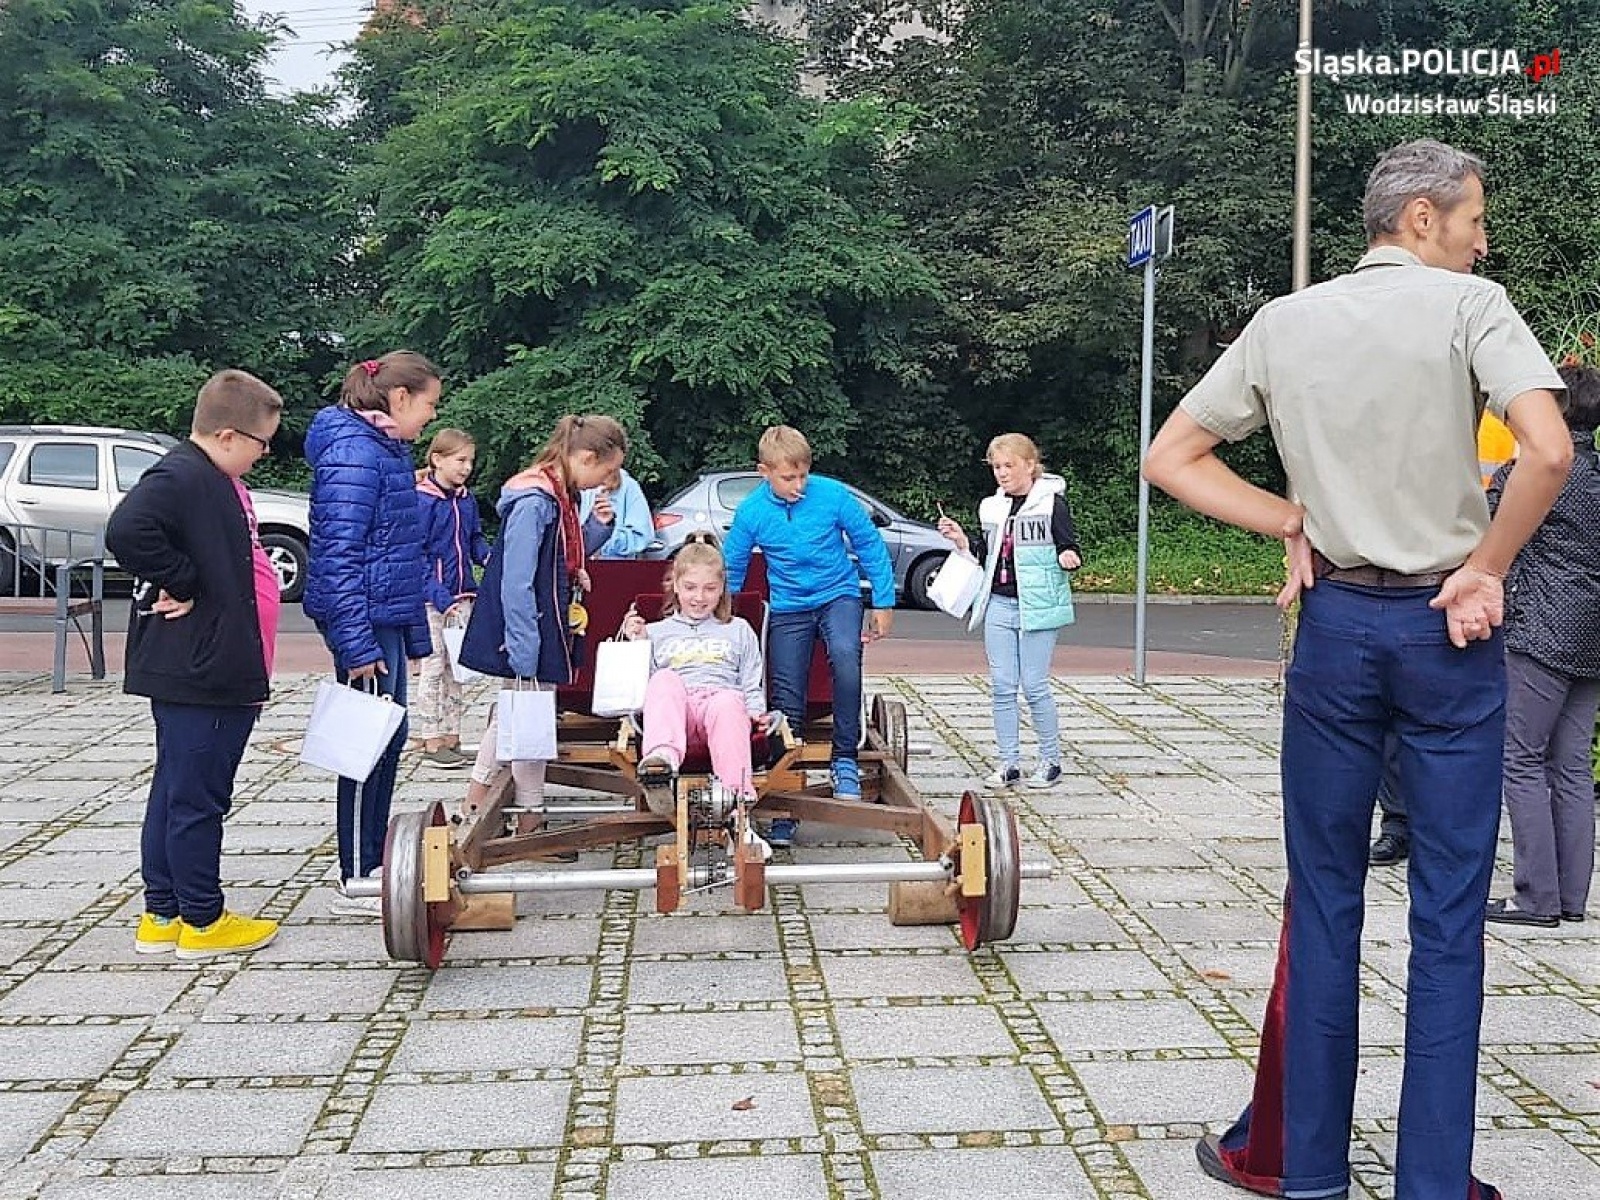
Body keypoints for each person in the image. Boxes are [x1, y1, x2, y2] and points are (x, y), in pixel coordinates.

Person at [1142, 139, 1569, 1200]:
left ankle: (1314, 1179)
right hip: (1446, 633)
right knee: (1448, 918)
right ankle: (1432, 1185)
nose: (1483, 236)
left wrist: (1292, 516)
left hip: (1333, 627)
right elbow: (1550, 451)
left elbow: (1169, 459)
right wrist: (1485, 566)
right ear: (1421, 218)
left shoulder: (1285, 322)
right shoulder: (1473, 308)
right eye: (1472, 217)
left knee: (1325, 901)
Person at [106, 369, 286, 959]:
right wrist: (182, 579)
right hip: (203, 668)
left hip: (197, 662)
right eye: (263, 444)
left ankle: (163, 913)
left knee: (175, 790)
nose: (264, 456)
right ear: (232, 436)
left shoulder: (204, 477)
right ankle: (203, 920)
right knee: (198, 797)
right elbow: (127, 530)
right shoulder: (184, 474)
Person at [304, 352, 440, 917]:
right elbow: (339, 555)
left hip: (382, 614)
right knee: (365, 743)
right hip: (363, 621)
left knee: (387, 737)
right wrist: (357, 643)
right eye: (430, 403)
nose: (432, 416)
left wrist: (412, 636)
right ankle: (356, 874)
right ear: (399, 398)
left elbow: (396, 549)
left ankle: (371, 857)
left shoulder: (382, 448)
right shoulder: (355, 453)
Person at [722, 425, 896, 848]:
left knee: (844, 656)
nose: (798, 484)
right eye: (787, 477)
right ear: (764, 472)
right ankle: (785, 791)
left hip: (838, 594)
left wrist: (883, 602)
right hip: (789, 606)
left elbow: (869, 544)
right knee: (785, 693)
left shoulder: (832, 495)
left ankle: (844, 760)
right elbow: (732, 569)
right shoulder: (751, 513)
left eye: (803, 475)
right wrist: (721, 619)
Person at [457, 415, 628, 835]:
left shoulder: (559, 496)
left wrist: (597, 530)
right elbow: (517, 579)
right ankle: (522, 817)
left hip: (539, 622)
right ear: (586, 457)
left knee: (519, 714)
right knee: (528, 717)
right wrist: (523, 644)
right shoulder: (536, 501)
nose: (606, 481)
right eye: (606, 471)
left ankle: (482, 805)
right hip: (529, 625)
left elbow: (556, 560)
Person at [1485, 362, 1600, 927]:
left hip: (1541, 632)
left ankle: (1535, 898)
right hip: (1593, 640)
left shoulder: (1533, 473)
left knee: (1521, 757)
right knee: (1571, 764)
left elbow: (1482, 528)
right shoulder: (1598, 475)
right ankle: (1571, 897)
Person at [936, 433, 1080, 789]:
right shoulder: (992, 507)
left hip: (1038, 605)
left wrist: (1068, 557)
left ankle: (1050, 760)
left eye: (1008, 466)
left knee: (1033, 685)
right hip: (998, 602)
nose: (1001, 473)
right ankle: (1008, 762)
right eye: (996, 466)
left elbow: (1068, 543)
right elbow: (986, 550)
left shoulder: (1051, 504)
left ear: (1030, 465)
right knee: (1002, 686)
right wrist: (960, 540)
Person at [620, 540, 777, 813]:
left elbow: (752, 680)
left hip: (721, 709)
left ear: (722, 590)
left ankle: (735, 796)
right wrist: (636, 644)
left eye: (710, 589)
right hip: (674, 715)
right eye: (690, 587)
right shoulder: (656, 632)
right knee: (664, 680)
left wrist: (755, 711)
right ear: (676, 586)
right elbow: (645, 690)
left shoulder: (738, 629)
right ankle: (661, 764)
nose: (699, 597)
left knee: (729, 701)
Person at [414, 427, 491, 769]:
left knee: (458, 669)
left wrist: (491, 560)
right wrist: (438, 595)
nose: (466, 468)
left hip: (463, 596)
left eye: (470, 461)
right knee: (432, 667)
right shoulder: (422, 500)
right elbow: (415, 556)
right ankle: (430, 738)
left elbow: (473, 540)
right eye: (460, 460)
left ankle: (452, 735)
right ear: (437, 459)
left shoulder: (466, 499)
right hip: (433, 601)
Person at [579, 465, 654, 559]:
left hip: (616, 567)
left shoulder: (628, 486)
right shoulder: (576, 483)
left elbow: (642, 537)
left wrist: (606, 540)